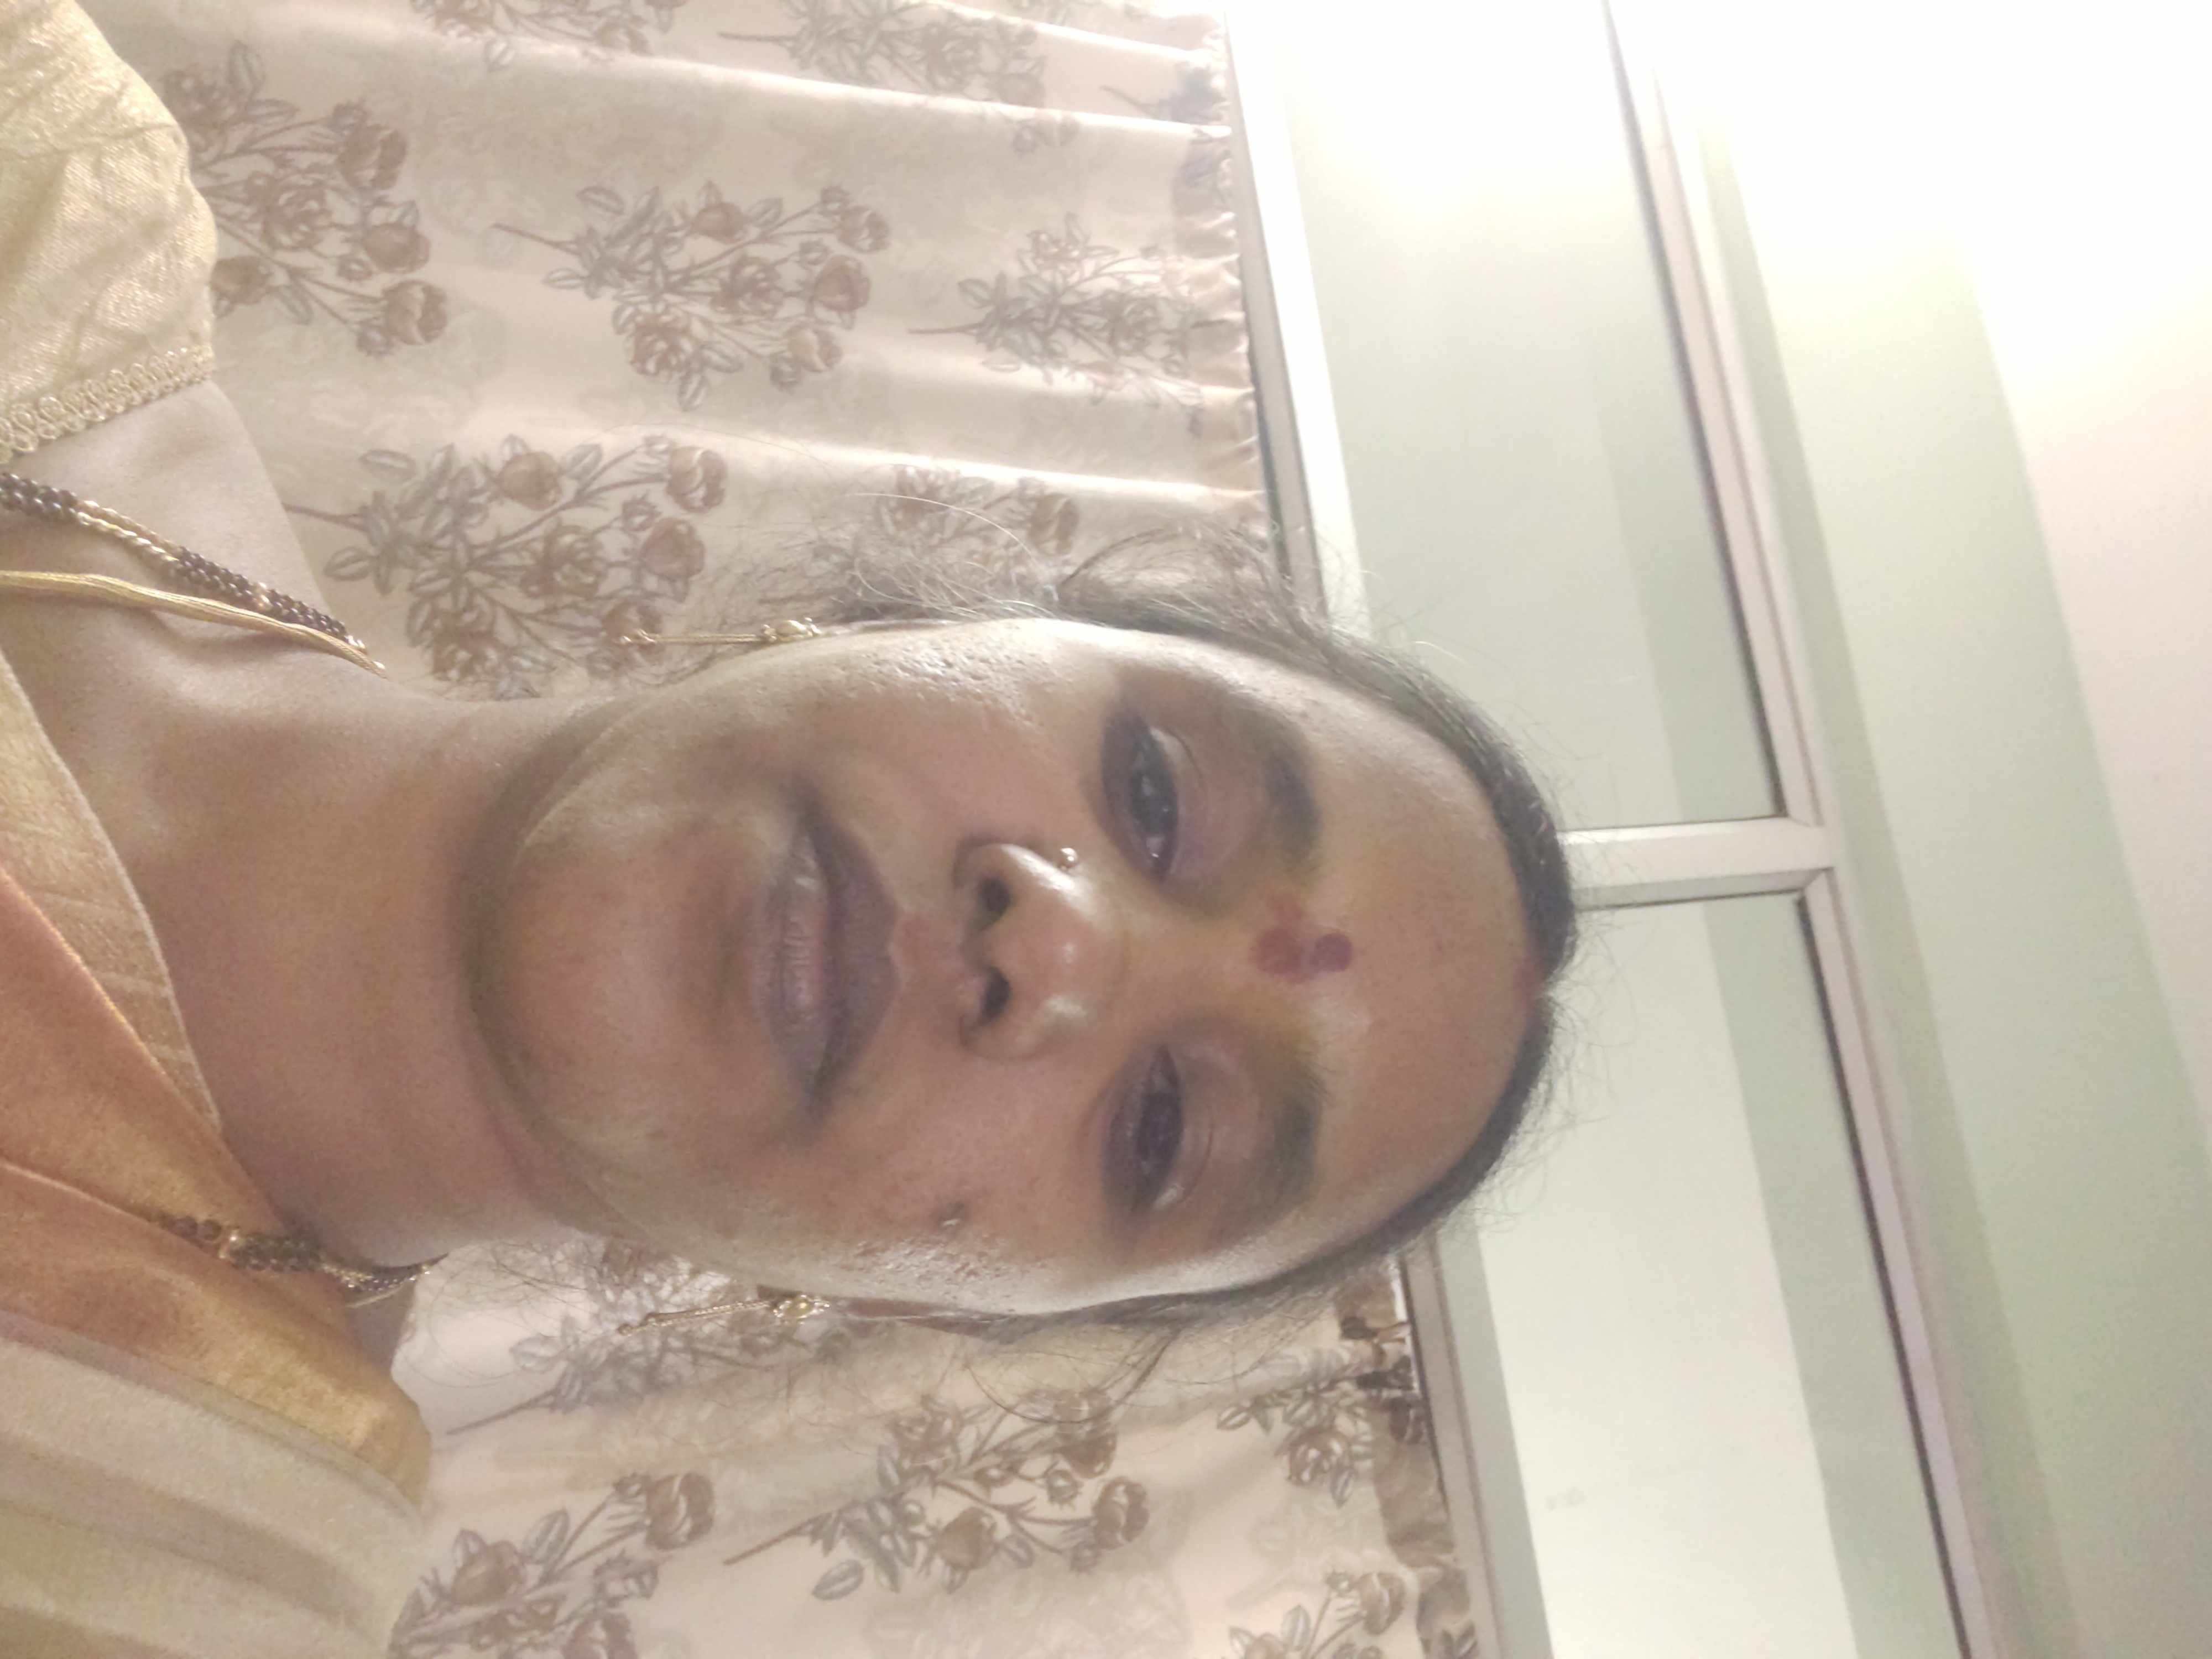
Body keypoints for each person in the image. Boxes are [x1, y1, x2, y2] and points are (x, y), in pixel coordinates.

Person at [0, 0, 1575, 1651]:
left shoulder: (168, 1563)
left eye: (1163, 1131)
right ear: (903, 624)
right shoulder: (44, 193)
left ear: (920, 1303)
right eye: (1156, 795)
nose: (1054, 945)